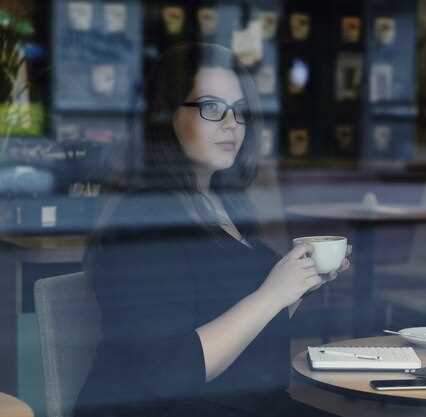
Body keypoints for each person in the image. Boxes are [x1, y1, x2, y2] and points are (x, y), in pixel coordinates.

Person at [74, 43, 349, 417]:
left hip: (245, 403)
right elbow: (170, 371)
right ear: (165, 115)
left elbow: (242, 325)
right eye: (212, 107)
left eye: (239, 111)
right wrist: (272, 294)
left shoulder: (225, 202)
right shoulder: (145, 220)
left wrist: (298, 285)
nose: (231, 123)